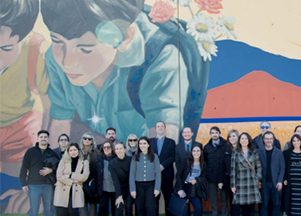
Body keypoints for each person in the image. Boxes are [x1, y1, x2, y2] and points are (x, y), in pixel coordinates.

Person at [41, 0, 209, 142]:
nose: (67, 63)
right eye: (57, 41)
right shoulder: (55, 57)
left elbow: (164, 146)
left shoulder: (161, 57)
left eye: (85, 48)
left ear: (125, 37)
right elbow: (60, 123)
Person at [0, 0, 49, 177]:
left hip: (22, 129)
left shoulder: (35, 50)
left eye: (5, 48)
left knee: (16, 180)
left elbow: (49, 103)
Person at [19, 130, 60, 216]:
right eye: (41, 137)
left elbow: (59, 168)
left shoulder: (52, 153)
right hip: (34, 185)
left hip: (48, 185)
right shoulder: (31, 152)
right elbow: (24, 168)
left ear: (48, 139)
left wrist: (51, 170)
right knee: (34, 210)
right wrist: (23, 183)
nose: (43, 138)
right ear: (38, 139)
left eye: (45, 137)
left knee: (49, 209)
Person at [54, 143, 90, 216]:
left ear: (78, 151)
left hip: (75, 190)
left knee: (73, 212)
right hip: (63, 190)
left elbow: (85, 176)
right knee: (63, 212)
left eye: (75, 150)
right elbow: (59, 176)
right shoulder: (63, 161)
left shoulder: (84, 162)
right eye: (71, 150)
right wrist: (71, 180)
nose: (73, 152)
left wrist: (71, 175)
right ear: (68, 152)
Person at [230, 133, 262, 216]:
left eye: (245, 138)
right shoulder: (235, 153)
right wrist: (233, 185)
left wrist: (257, 178)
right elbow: (233, 170)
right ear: (239, 141)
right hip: (240, 182)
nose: (244, 140)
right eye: (242, 138)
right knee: (236, 208)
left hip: (251, 182)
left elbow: (259, 167)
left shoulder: (254, 152)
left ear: (249, 140)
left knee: (250, 208)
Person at [129, 136, 161, 216]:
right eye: (141, 143)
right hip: (139, 186)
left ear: (148, 145)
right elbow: (132, 174)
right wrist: (132, 189)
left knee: (150, 207)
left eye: (144, 143)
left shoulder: (154, 156)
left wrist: (157, 188)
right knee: (141, 208)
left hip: (151, 185)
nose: (142, 145)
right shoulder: (135, 156)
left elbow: (158, 173)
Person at [175, 144, 208, 216]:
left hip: (195, 189)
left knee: (198, 208)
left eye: (198, 151)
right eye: (194, 151)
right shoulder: (186, 162)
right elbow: (178, 176)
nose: (196, 153)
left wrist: (196, 180)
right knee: (184, 209)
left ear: (201, 152)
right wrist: (180, 189)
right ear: (191, 152)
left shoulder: (203, 164)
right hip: (185, 188)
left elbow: (204, 177)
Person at [257, 131, 285, 216]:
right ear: (263, 140)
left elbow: (282, 168)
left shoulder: (278, 152)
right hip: (263, 183)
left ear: (273, 140)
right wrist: (258, 180)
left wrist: (280, 181)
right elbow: (256, 167)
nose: (268, 140)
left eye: (270, 138)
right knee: (264, 204)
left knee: (276, 203)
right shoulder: (259, 152)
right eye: (267, 138)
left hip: (275, 183)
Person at [150, 121, 176, 216]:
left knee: (168, 198)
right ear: (155, 129)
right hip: (153, 175)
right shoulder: (150, 141)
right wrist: (156, 167)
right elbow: (148, 156)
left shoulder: (171, 142)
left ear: (165, 128)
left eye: (162, 126)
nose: (160, 128)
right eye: (158, 126)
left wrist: (162, 166)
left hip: (167, 174)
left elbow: (172, 157)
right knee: (154, 198)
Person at [203, 126, 228, 216]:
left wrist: (223, 178)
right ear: (210, 134)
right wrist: (209, 175)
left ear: (219, 133)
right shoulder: (207, 147)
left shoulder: (225, 145)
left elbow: (226, 162)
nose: (214, 134)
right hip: (211, 179)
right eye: (212, 133)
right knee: (213, 200)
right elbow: (205, 163)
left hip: (223, 178)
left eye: (216, 132)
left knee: (224, 200)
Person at [109, 142, 134, 216]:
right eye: (117, 149)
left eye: (120, 148)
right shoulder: (112, 163)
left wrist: (132, 190)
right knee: (119, 207)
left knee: (128, 206)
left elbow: (132, 177)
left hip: (130, 188)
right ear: (115, 151)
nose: (119, 150)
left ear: (124, 149)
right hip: (119, 188)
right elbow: (115, 180)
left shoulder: (130, 160)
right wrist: (119, 196)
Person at [95, 141, 116, 216]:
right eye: (105, 147)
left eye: (108, 147)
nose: (107, 149)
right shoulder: (99, 160)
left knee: (115, 208)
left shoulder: (116, 159)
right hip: (103, 188)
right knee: (102, 207)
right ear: (102, 149)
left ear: (112, 148)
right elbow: (96, 174)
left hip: (115, 188)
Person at [79, 132, 99, 216]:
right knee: (82, 203)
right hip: (80, 181)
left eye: (89, 139)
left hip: (92, 181)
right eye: (85, 138)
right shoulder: (78, 152)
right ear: (82, 140)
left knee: (92, 203)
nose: (87, 140)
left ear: (92, 141)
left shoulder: (96, 152)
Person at [53, 133, 70, 216]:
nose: (63, 142)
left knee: (67, 204)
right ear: (58, 142)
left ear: (68, 142)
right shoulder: (54, 152)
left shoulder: (71, 152)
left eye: (65, 140)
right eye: (61, 140)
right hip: (57, 182)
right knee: (58, 204)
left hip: (68, 182)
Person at [223, 129, 239, 216]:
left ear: (238, 137)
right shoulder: (225, 149)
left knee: (242, 202)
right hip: (228, 179)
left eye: (234, 136)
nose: (232, 138)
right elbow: (222, 165)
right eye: (230, 136)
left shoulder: (243, 148)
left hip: (241, 179)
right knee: (232, 202)